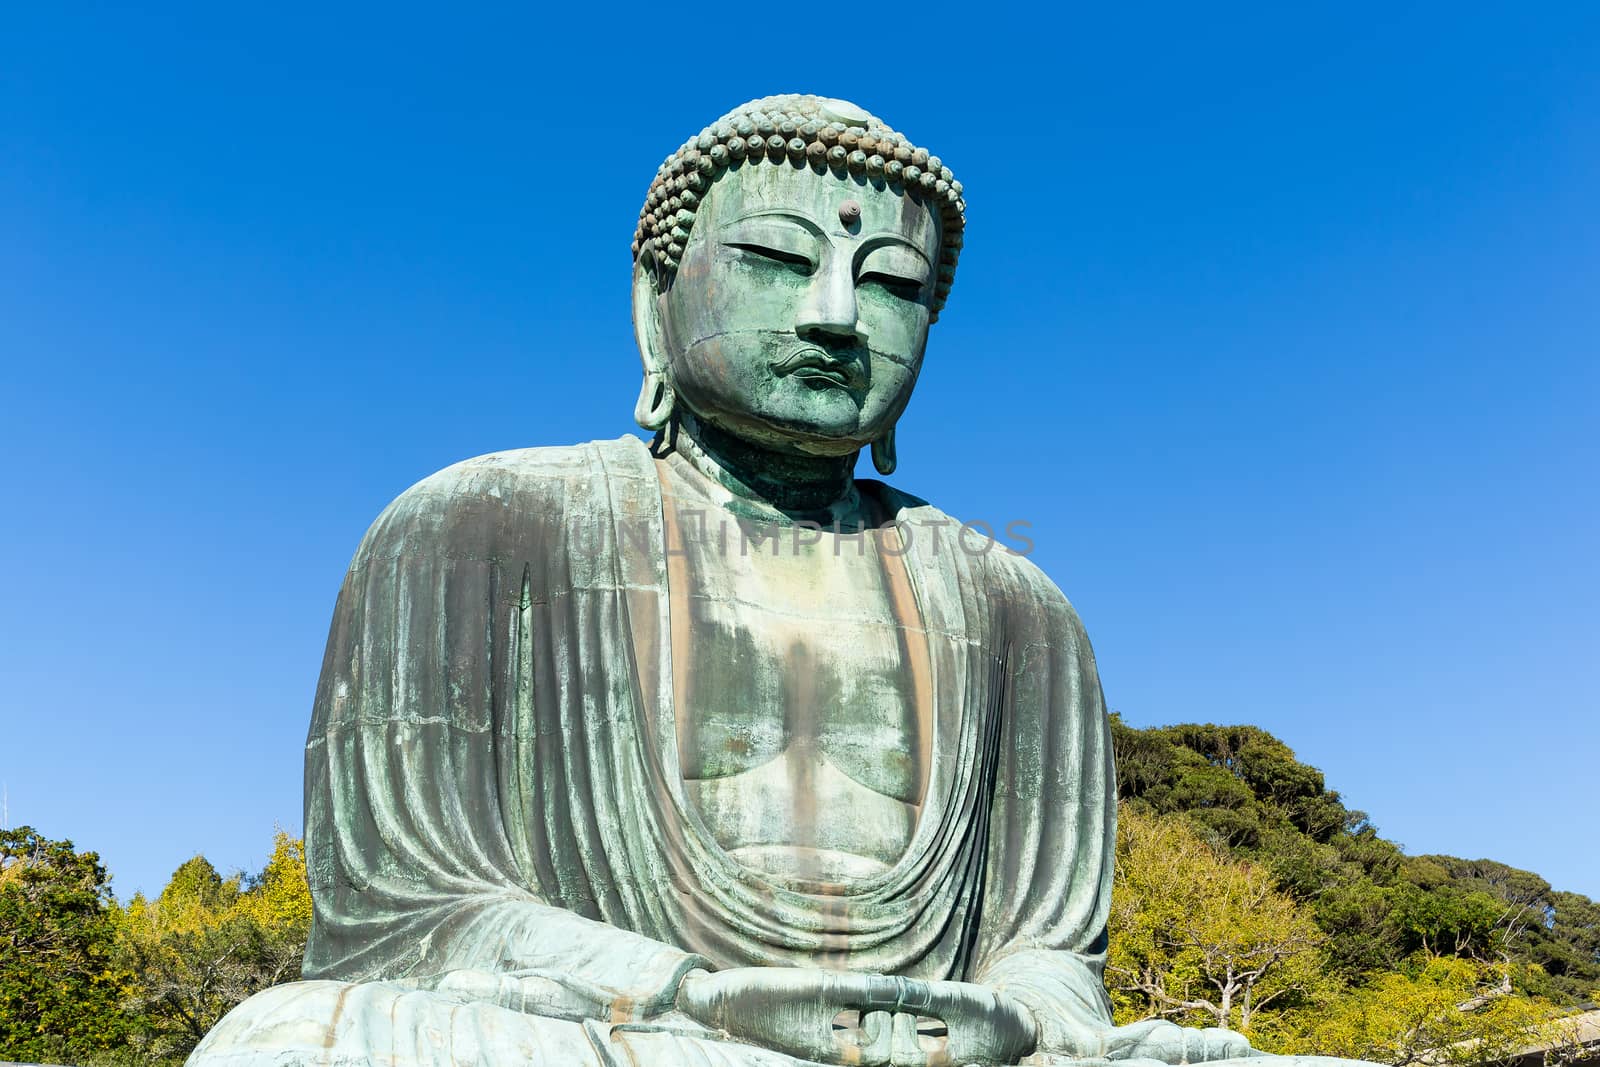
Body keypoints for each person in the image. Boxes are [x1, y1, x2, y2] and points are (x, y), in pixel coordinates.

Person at [189, 95, 1349, 1067]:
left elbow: (1043, 949)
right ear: (656, 299)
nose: (835, 314)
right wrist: (701, 994)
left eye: (892, 284)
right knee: (299, 1038)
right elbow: (409, 915)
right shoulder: (478, 525)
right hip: (640, 1028)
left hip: (944, 1051)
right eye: (776, 259)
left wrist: (1034, 1018)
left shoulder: (1015, 605)